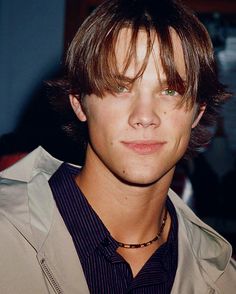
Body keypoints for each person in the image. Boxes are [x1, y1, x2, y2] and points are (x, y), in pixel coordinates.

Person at [0, 0, 235, 293]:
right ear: (79, 102)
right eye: (120, 88)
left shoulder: (221, 277)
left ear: (197, 113)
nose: (145, 117)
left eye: (170, 90)